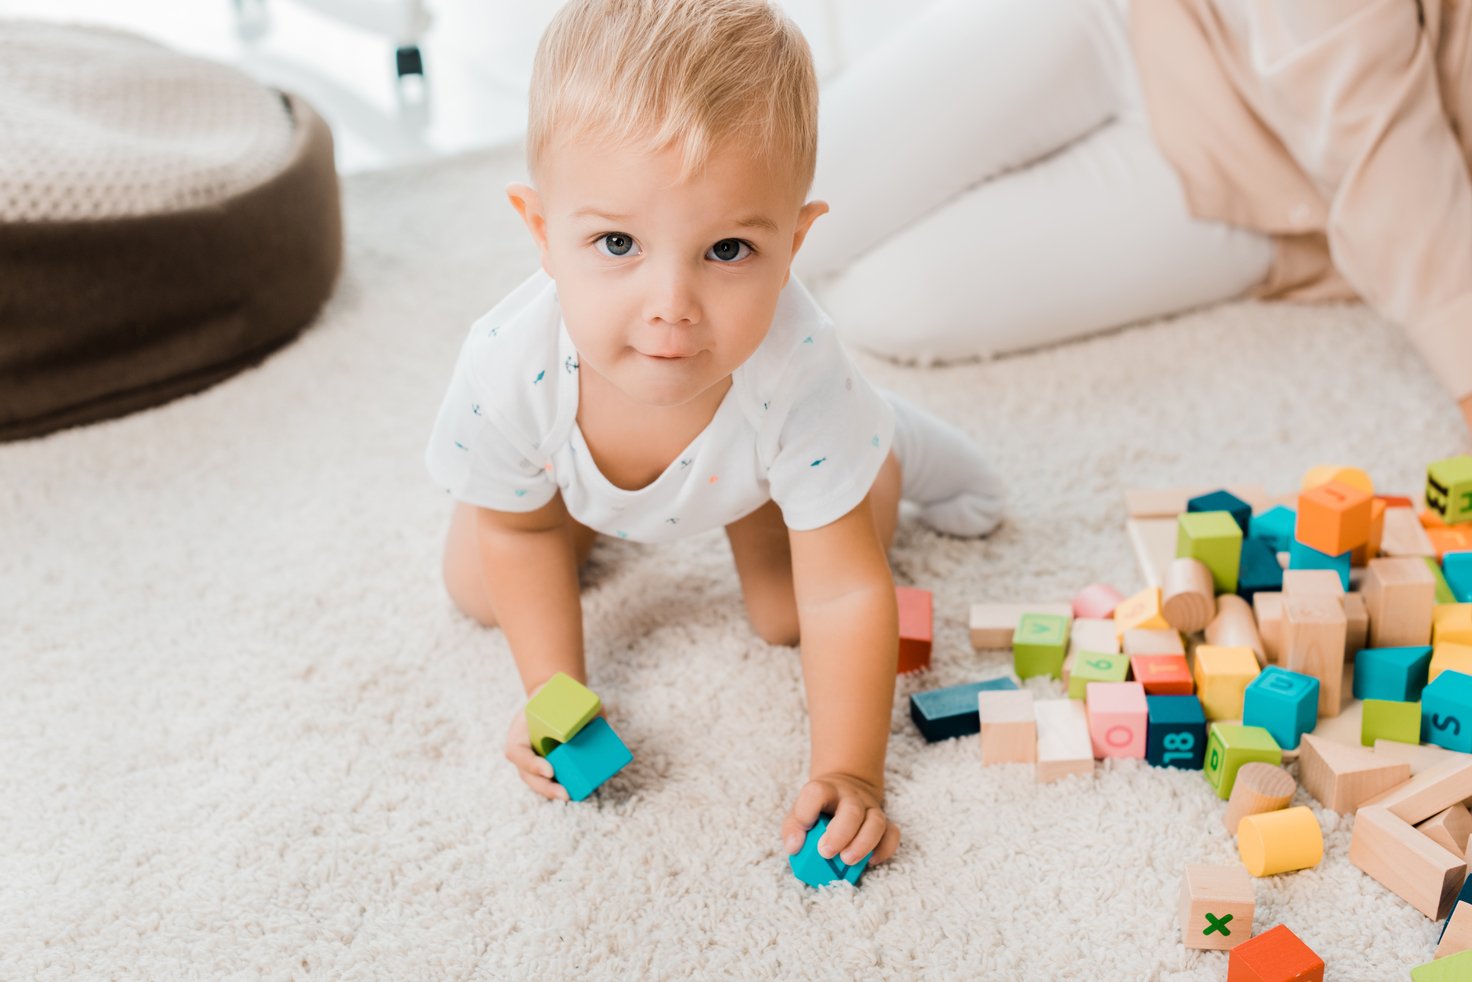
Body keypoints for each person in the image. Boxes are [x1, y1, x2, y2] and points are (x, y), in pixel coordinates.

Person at [423, 0, 1005, 875]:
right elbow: (518, 528)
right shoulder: (509, 363)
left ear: (794, 244)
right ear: (542, 232)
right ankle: (623, 500)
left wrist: (850, 770)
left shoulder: (797, 368)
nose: (671, 305)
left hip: (757, 470)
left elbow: (848, 593)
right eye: (617, 241)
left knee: (785, 614)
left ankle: (872, 448)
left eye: (727, 250)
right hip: (574, 477)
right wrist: (551, 697)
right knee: (477, 585)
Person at [793, 0, 1472, 430]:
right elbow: (1371, 116)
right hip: (1149, 19)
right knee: (791, 193)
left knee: (889, 302)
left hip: (1276, 187)